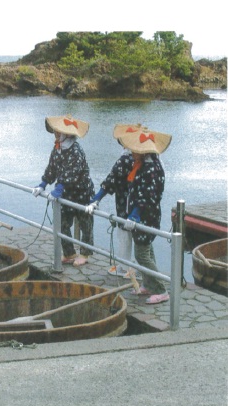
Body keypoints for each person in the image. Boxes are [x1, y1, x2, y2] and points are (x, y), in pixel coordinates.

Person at [88, 124, 172, 304]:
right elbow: (134, 190)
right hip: (144, 217)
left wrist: (134, 215)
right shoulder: (142, 164)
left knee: (142, 255)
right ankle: (149, 284)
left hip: (146, 218)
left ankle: (161, 290)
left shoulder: (152, 169)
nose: (130, 153)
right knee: (147, 251)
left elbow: (146, 196)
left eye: (134, 150)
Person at [32, 115, 95, 267]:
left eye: (58, 132)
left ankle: (85, 254)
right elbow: (52, 168)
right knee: (61, 223)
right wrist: (43, 183)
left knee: (86, 224)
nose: (56, 134)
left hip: (82, 193)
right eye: (55, 132)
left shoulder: (76, 150)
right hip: (66, 194)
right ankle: (69, 253)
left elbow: (72, 173)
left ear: (67, 134)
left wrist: (59, 187)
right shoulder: (57, 148)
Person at [87, 134, 139, 278]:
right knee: (142, 241)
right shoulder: (149, 161)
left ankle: (125, 267)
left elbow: (111, 180)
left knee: (124, 236)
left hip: (125, 204)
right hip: (142, 207)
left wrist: (97, 198)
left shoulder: (124, 160)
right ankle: (138, 269)